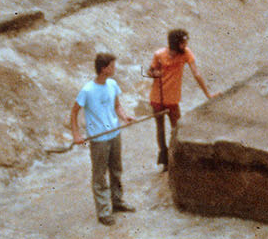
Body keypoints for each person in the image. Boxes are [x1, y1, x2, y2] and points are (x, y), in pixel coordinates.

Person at [69, 52, 137, 226]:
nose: (115, 69)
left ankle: (118, 202)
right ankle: (104, 211)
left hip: (114, 133)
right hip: (98, 139)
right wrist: (76, 134)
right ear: (104, 69)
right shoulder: (87, 90)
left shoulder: (112, 84)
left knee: (116, 170)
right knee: (100, 175)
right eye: (112, 66)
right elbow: (74, 112)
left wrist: (125, 117)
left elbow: (117, 106)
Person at [148, 28, 214, 170]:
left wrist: (208, 94)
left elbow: (196, 73)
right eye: (183, 43)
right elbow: (148, 71)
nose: (186, 45)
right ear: (175, 43)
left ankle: (176, 157)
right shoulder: (158, 55)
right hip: (157, 98)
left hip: (173, 99)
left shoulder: (186, 54)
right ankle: (165, 160)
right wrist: (154, 73)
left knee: (177, 128)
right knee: (160, 129)